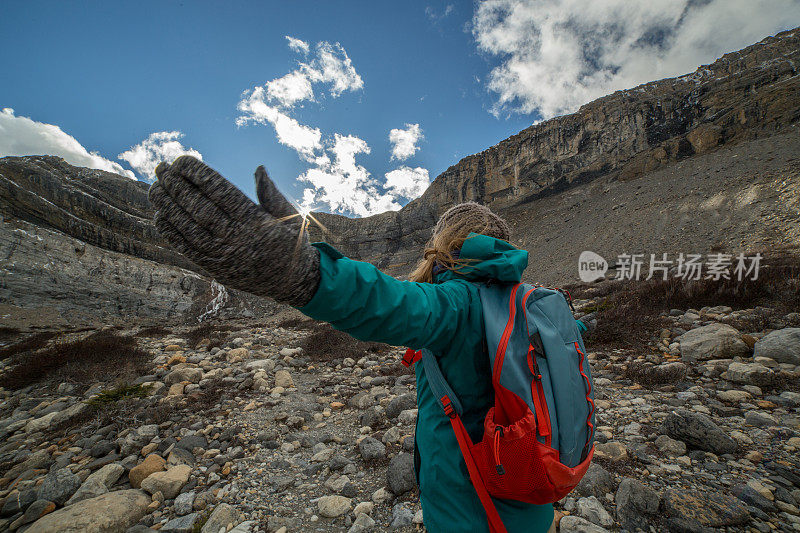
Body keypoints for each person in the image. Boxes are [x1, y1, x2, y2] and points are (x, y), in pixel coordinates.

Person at [149, 156, 556, 532]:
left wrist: (304, 272)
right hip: (538, 489)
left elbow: (384, 301)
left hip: (474, 510)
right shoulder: (538, 306)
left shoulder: (458, 304)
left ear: (446, 245)